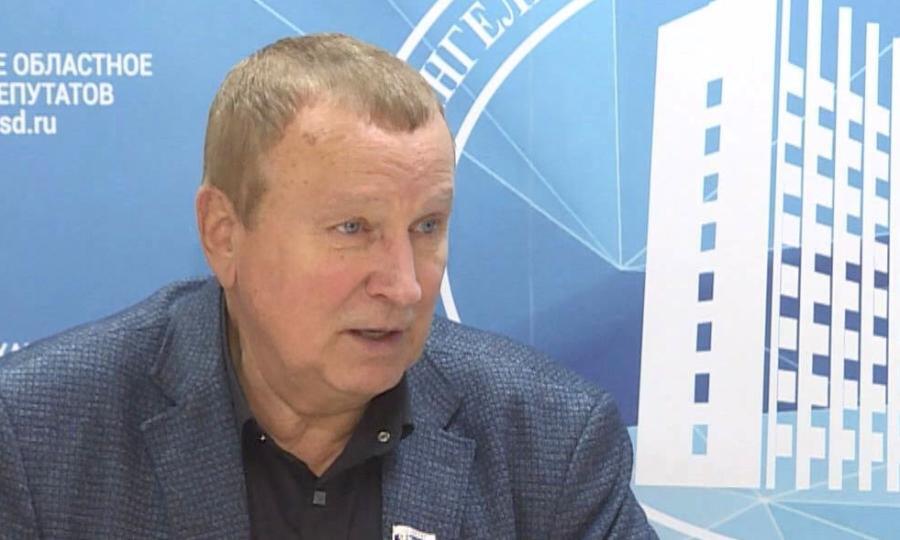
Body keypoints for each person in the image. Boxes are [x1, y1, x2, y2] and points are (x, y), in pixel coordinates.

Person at [0, 34, 655, 539]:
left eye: (427, 226)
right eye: (353, 228)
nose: (404, 286)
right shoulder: (35, 436)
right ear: (224, 234)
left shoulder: (549, 441)